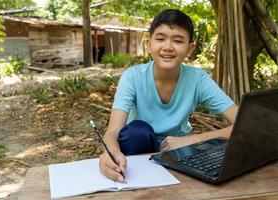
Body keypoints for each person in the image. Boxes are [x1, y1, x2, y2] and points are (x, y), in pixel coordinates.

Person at [99, 9, 238, 183]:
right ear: (148, 44)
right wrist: (109, 152)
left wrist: (191, 140)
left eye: (178, 41)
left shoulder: (198, 80)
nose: (168, 47)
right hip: (138, 146)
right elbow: (113, 131)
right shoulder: (133, 77)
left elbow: (244, 125)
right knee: (137, 131)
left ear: (189, 48)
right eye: (160, 39)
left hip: (179, 148)